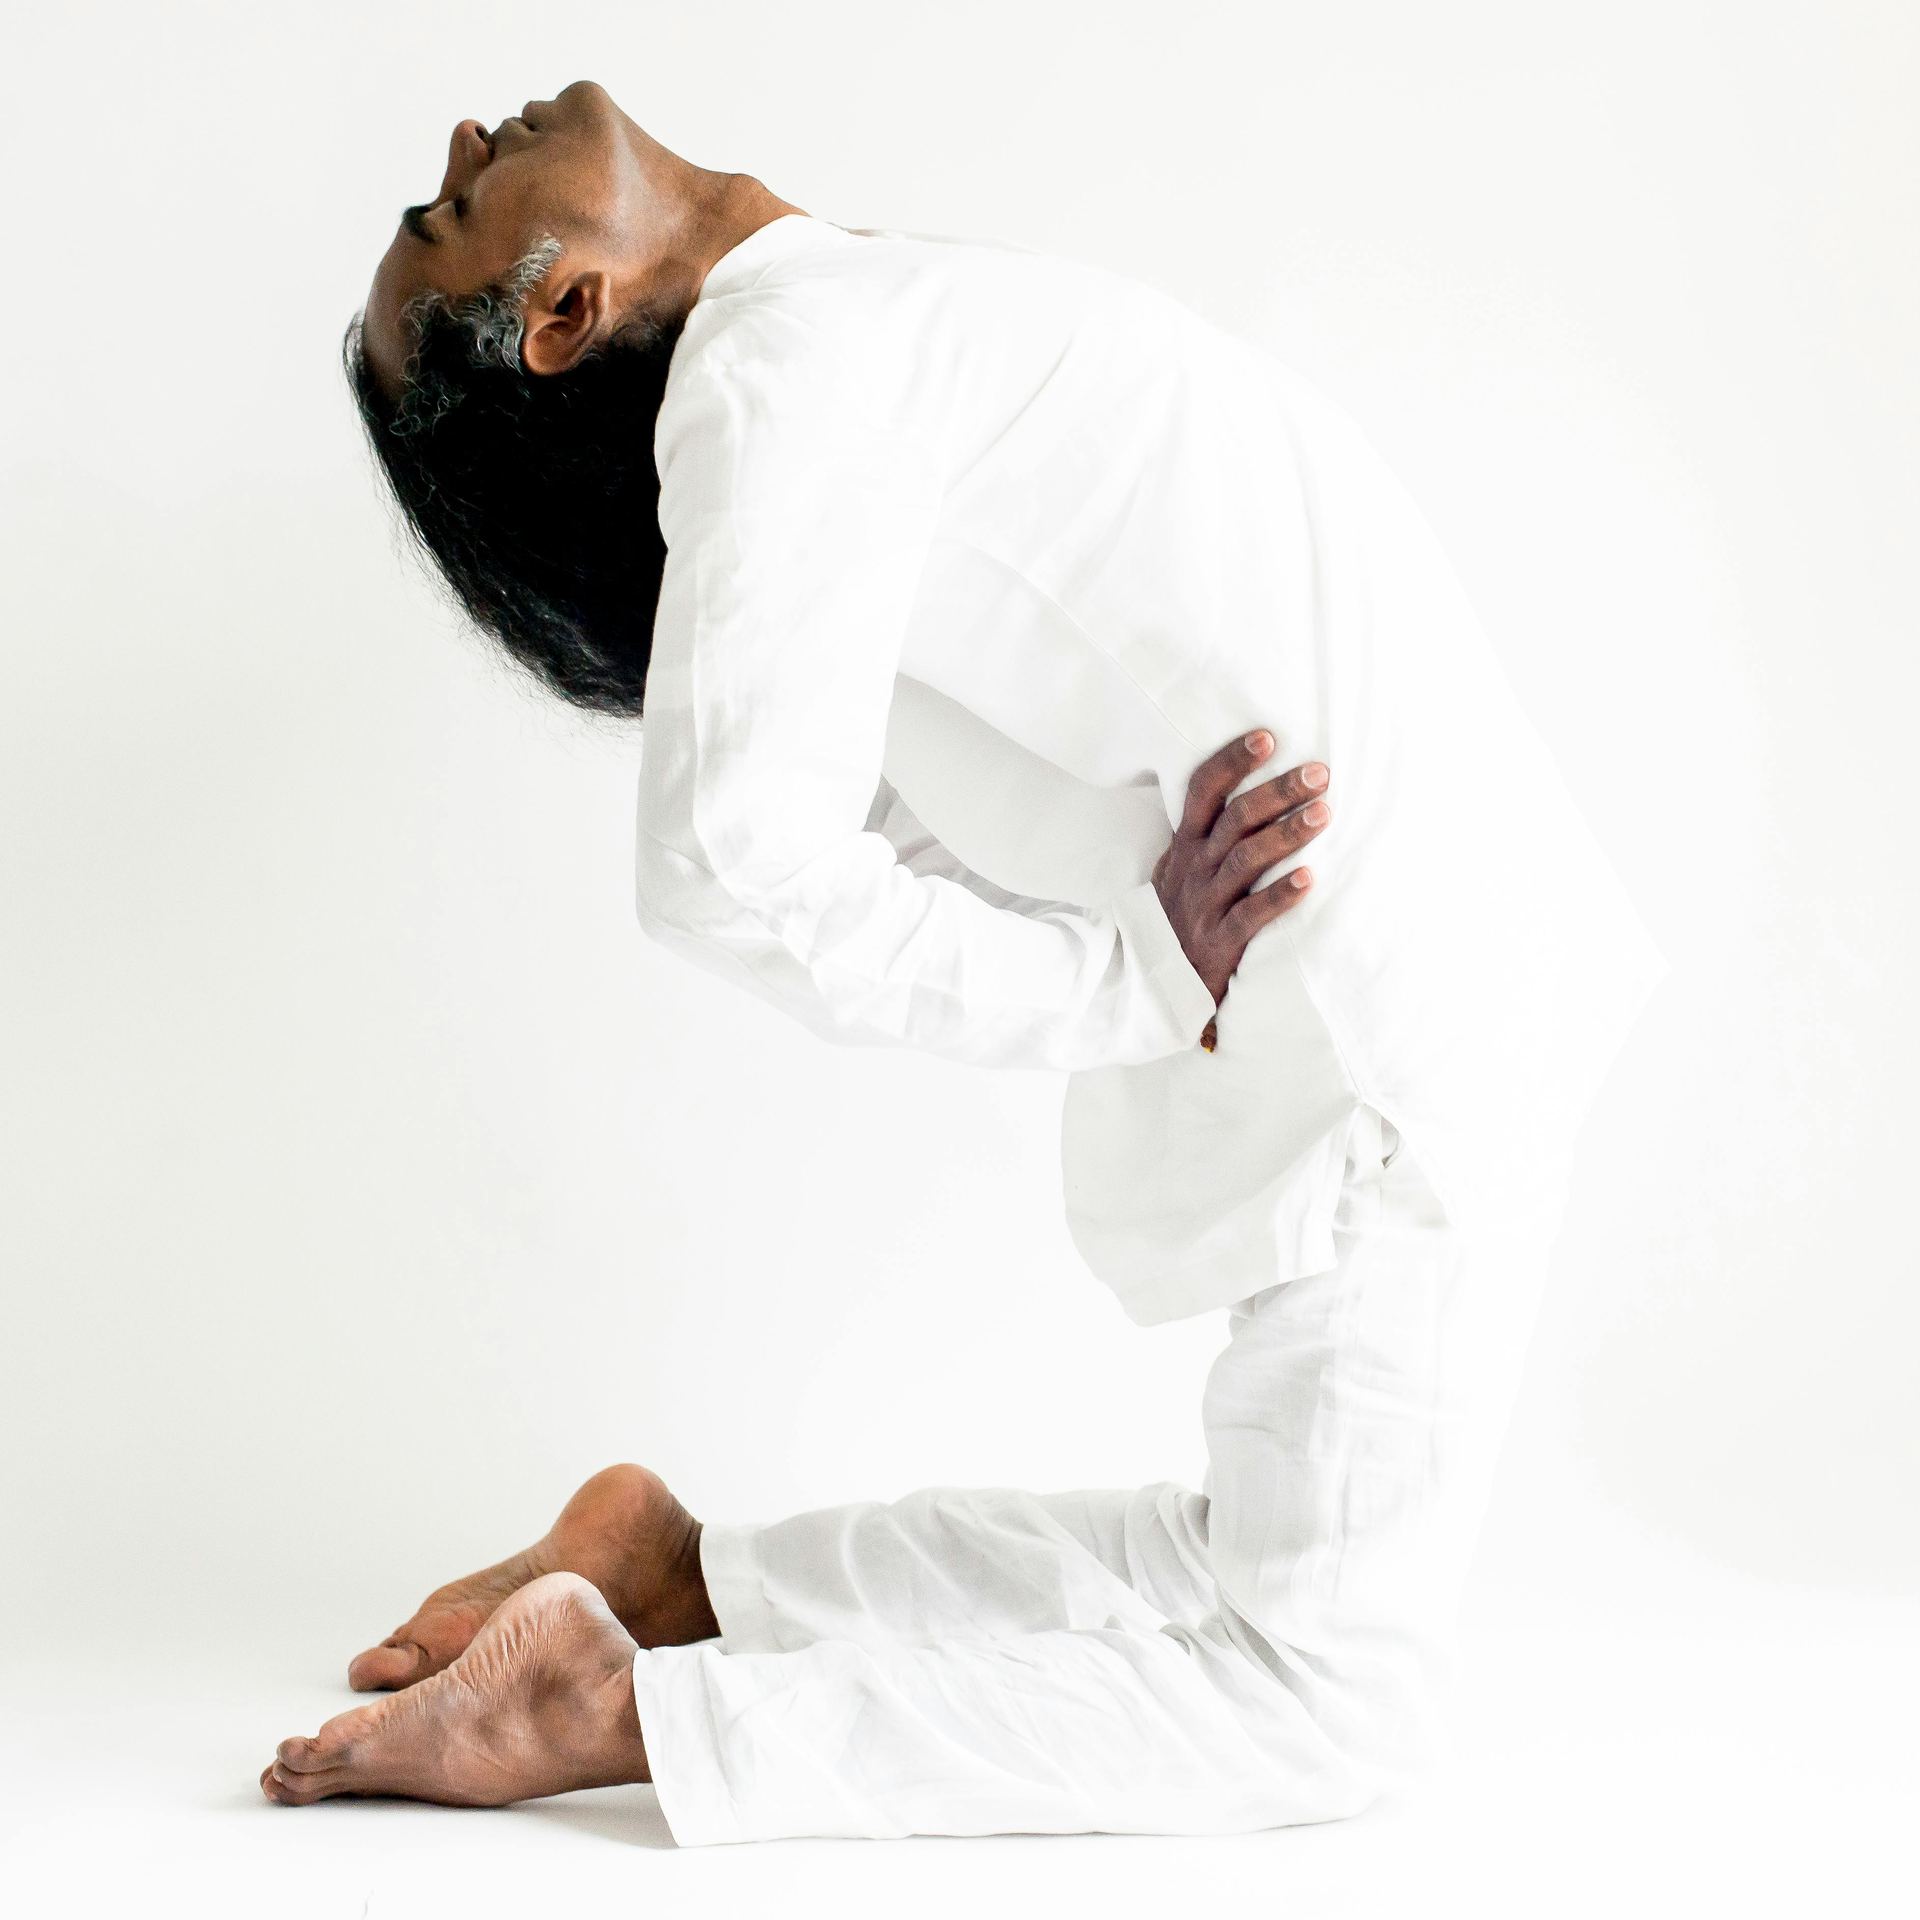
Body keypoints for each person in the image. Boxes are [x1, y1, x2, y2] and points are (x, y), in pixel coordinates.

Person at [261, 78, 1666, 1839]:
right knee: (1323, 1698)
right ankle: (622, 1702)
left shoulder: (811, 331)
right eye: (445, 213)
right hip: (1394, 1008)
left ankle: (693, 1582)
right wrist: (1131, 979)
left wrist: (1139, 968)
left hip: (1431, 962)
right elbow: (731, 864)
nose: (467, 142)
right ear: (562, 315)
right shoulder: (782, 373)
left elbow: (919, 796)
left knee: (1243, 1575)